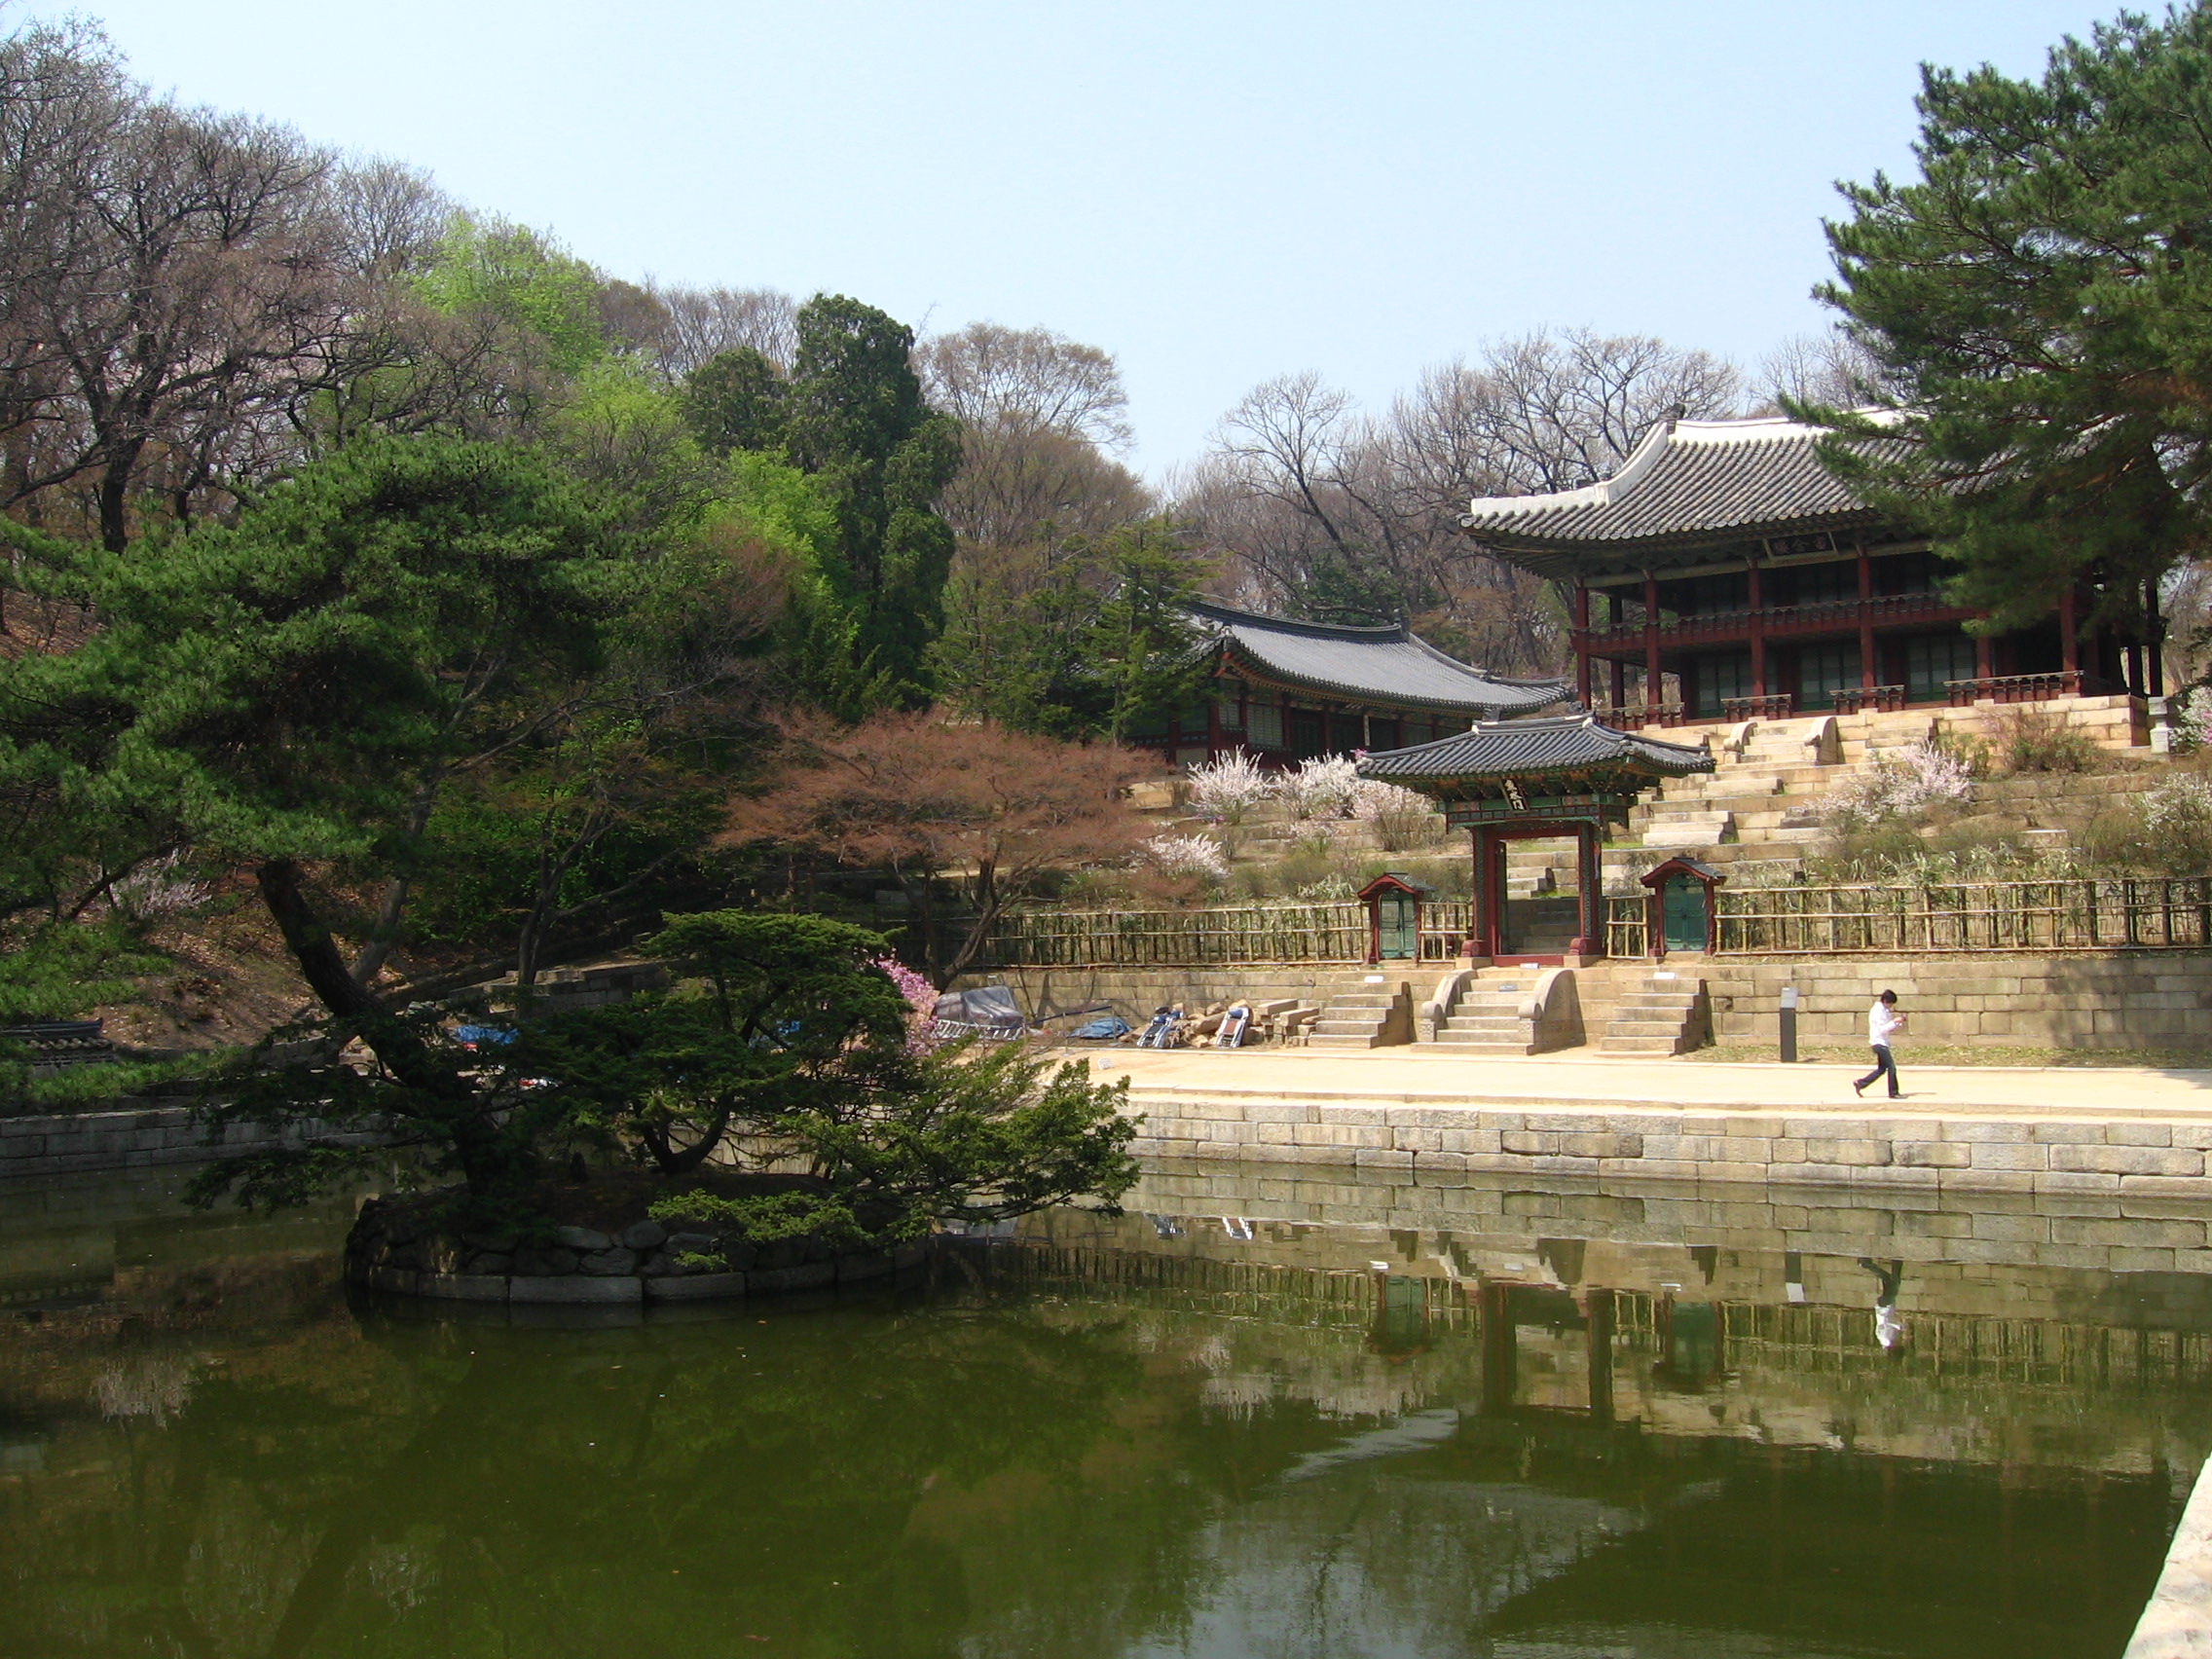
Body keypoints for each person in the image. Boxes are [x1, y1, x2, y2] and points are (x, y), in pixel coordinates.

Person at [1853, 989, 1905, 1098]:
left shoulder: (1884, 1011)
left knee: (1882, 1069)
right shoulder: (1877, 1011)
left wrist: (1898, 1022)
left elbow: (1889, 1027)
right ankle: (1893, 1092)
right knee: (1892, 1067)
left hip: (1883, 1042)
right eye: (1890, 1004)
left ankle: (1861, 1083)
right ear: (1886, 1001)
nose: (1891, 1006)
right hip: (1878, 1042)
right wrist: (1895, 1021)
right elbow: (1882, 1029)